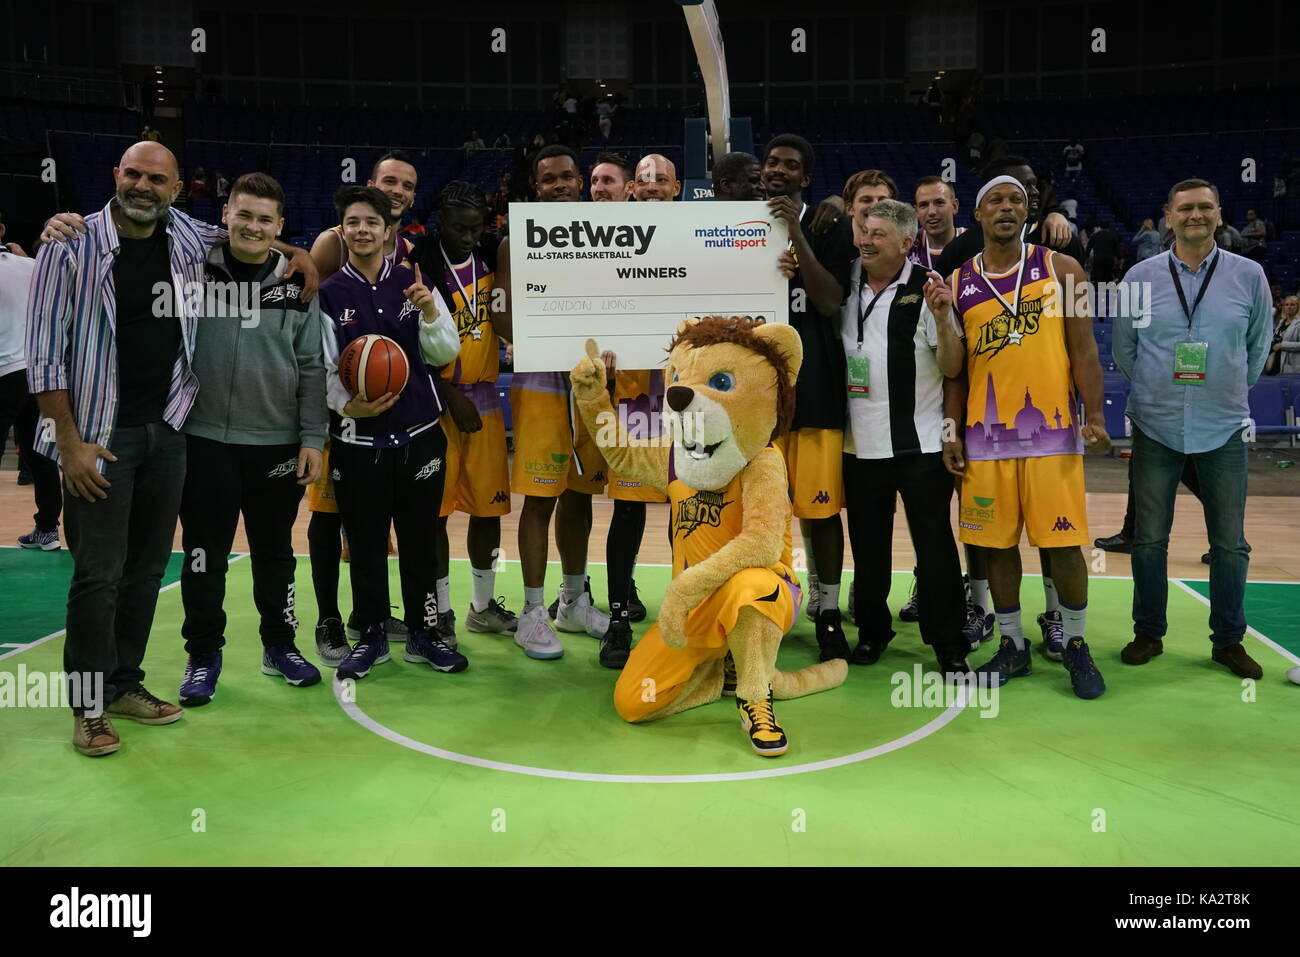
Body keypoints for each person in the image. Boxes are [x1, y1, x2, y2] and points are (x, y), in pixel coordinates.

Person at [27, 141, 316, 756]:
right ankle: (88, 704)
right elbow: (44, 355)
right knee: (97, 576)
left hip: (168, 430)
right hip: (96, 437)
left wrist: (298, 256)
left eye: (156, 178)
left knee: (145, 569)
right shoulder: (68, 245)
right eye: (132, 173)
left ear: (176, 187)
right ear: (115, 176)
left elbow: (247, 232)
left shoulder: (186, 235)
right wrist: (68, 441)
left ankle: (125, 684)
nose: (142, 185)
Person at [945, 174, 1109, 699]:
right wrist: (952, 430)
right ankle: (1012, 645)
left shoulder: (1065, 270)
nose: (1007, 207)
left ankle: (1077, 644)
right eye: (995, 199)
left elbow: (1084, 350)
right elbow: (955, 371)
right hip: (984, 440)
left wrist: (1097, 416)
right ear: (978, 214)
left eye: (1017, 200)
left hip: (1053, 437)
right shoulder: (956, 282)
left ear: (1028, 212)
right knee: (996, 547)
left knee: (1063, 544)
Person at [175, 173, 327, 704]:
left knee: (274, 552)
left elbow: (312, 366)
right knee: (202, 553)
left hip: (276, 444)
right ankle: (202, 653)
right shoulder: (191, 268)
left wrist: (313, 437)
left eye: (266, 219)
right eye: (244, 215)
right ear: (225, 215)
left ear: (280, 226)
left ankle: (279, 645)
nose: (253, 226)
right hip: (204, 438)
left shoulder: (298, 282)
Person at [1114, 178, 1272, 681]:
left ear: (1219, 215)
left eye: (1205, 207)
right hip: (1156, 425)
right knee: (1148, 540)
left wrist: (1223, 392)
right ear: (1168, 215)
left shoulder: (1250, 276)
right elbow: (1124, 350)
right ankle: (1148, 633)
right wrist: (1158, 391)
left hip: (1222, 426)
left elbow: (1257, 345)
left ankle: (1228, 641)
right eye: (1186, 208)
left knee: (1229, 543)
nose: (1196, 215)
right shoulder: (1139, 277)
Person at [318, 185, 466, 680]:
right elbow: (318, 368)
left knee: (420, 540)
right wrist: (347, 405)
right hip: (358, 442)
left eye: (371, 223)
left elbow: (446, 353)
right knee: (364, 542)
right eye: (353, 222)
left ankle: (425, 634)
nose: (362, 231)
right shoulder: (328, 292)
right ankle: (373, 635)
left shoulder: (413, 282)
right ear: (343, 230)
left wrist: (428, 310)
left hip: (420, 434)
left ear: (388, 232)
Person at [839, 199, 970, 675]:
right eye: (863, 231)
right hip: (858, 446)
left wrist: (940, 317)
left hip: (921, 445)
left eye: (876, 234)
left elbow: (954, 367)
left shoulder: (928, 288)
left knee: (934, 548)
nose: (865, 240)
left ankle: (949, 641)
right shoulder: (843, 279)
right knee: (868, 549)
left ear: (906, 243)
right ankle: (872, 632)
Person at [493, 144, 612, 660]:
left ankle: (573, 599)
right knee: (540, 498)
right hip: (542, 382)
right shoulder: (513, 240)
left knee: (581, 495)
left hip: (590, 382)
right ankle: (533, 612)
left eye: (567, 176)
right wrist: (532, 339)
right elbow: (500, 313)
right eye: (549, 179)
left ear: (580, 181)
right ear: (535, 187)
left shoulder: (606, 234)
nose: (559, 185)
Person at [306, 150, 417, 652]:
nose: (397, 191)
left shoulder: (408, 252)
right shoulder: (335, 242)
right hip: (337, 414)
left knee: (372, 524)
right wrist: (336, 402)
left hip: (386, 417)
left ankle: (366, 613)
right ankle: (328, 618)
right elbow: (311, 289)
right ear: (372, 184)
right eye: (389, 182)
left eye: (406, 186)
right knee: (329, 516)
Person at [409, 181, 519, 649]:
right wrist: (449, 395)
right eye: (460, 228)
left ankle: (482, 605)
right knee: (435, 515)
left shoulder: (492, 264)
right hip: (437, 403)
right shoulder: (417, 268)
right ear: (441, 224)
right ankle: (439, 611)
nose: (470, 237)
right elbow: (408, 348)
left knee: (488, 510)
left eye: (477, 229)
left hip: (486, 401)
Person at [762, 133, 857, 661]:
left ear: (805, 177)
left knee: (820, 515)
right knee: (762, 514)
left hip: (816, 392)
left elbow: (828, 301)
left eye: (790, 165)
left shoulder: (831, 226)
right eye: (772, 162)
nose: (778, 170)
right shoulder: (737, 226)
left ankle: (826, 610)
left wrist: (796, 230)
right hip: (759, 406)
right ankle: (767, 601)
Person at [1, 211, 63, 550]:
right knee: (41, 455)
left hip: (4, 372)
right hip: (34, 373)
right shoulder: (31, 266)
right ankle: (48, 528)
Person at [910, 176, 965, 271]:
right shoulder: (907, 245)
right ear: (916, 212)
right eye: (923, 205)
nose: (931, 212)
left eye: (939, 202)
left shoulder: (976, 243)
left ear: (954, 206)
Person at [1267, 294, 1300, 374]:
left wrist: (1282, 345)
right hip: (1277, 361)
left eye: (1292, 305)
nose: (1289, 307)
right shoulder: (1281, 322)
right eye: (1286, 304)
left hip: (1291, 364)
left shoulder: (1299, 323)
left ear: (1297, 307)